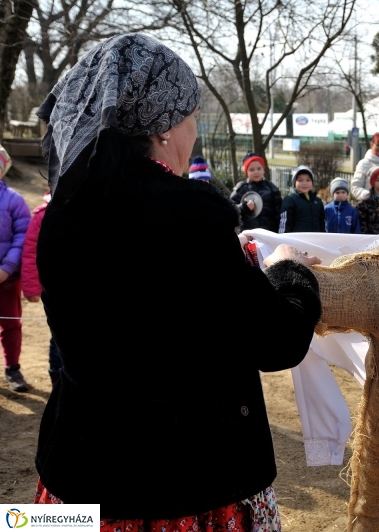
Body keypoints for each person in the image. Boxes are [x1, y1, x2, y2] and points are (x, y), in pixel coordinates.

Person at [33, 33, 322, 529]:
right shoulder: (191, 217)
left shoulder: (64, 211)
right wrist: (290, 272)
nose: (194, 133)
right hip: (185, 481)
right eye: (192, 117)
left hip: (78, 476)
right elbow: (276, 340)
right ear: (165, 126)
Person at [21, 191, 62, 387]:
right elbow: (31, 250)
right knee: (58, 336)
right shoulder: (43, 214)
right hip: (56, 289)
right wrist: (31, 287)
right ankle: (57, 379)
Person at [0, 143, 32, 393]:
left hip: (7, 278)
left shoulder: (14, 200)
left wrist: (7, 267)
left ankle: (12, 367)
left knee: (10, 323)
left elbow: (22, 236)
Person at [230, 152, 283, 232]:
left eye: (259, 168)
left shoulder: (272, 189)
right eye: (252, 170)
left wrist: (279, 232)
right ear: (246, 172)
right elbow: (230, 209)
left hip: (269, 232)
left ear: (263, 170)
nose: (256, 172)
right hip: (248, 233)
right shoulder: (241, 189)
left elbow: (279, 213)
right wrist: (243, 207)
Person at [279, 165, 325, 233]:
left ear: (312, 182)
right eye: (300, 180)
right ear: (294, 183)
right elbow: (285, 224)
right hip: (296, 239)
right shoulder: (290, 200)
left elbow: (322, 223)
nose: (304, 183)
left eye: (308, 180)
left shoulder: (318, 201)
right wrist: (282, 238)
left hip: (315, 238)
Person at [357, 166, 379, 235]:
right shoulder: (364, 203)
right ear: (373, 183)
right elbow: (362, 226)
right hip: (371, 238)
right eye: (378, 180)